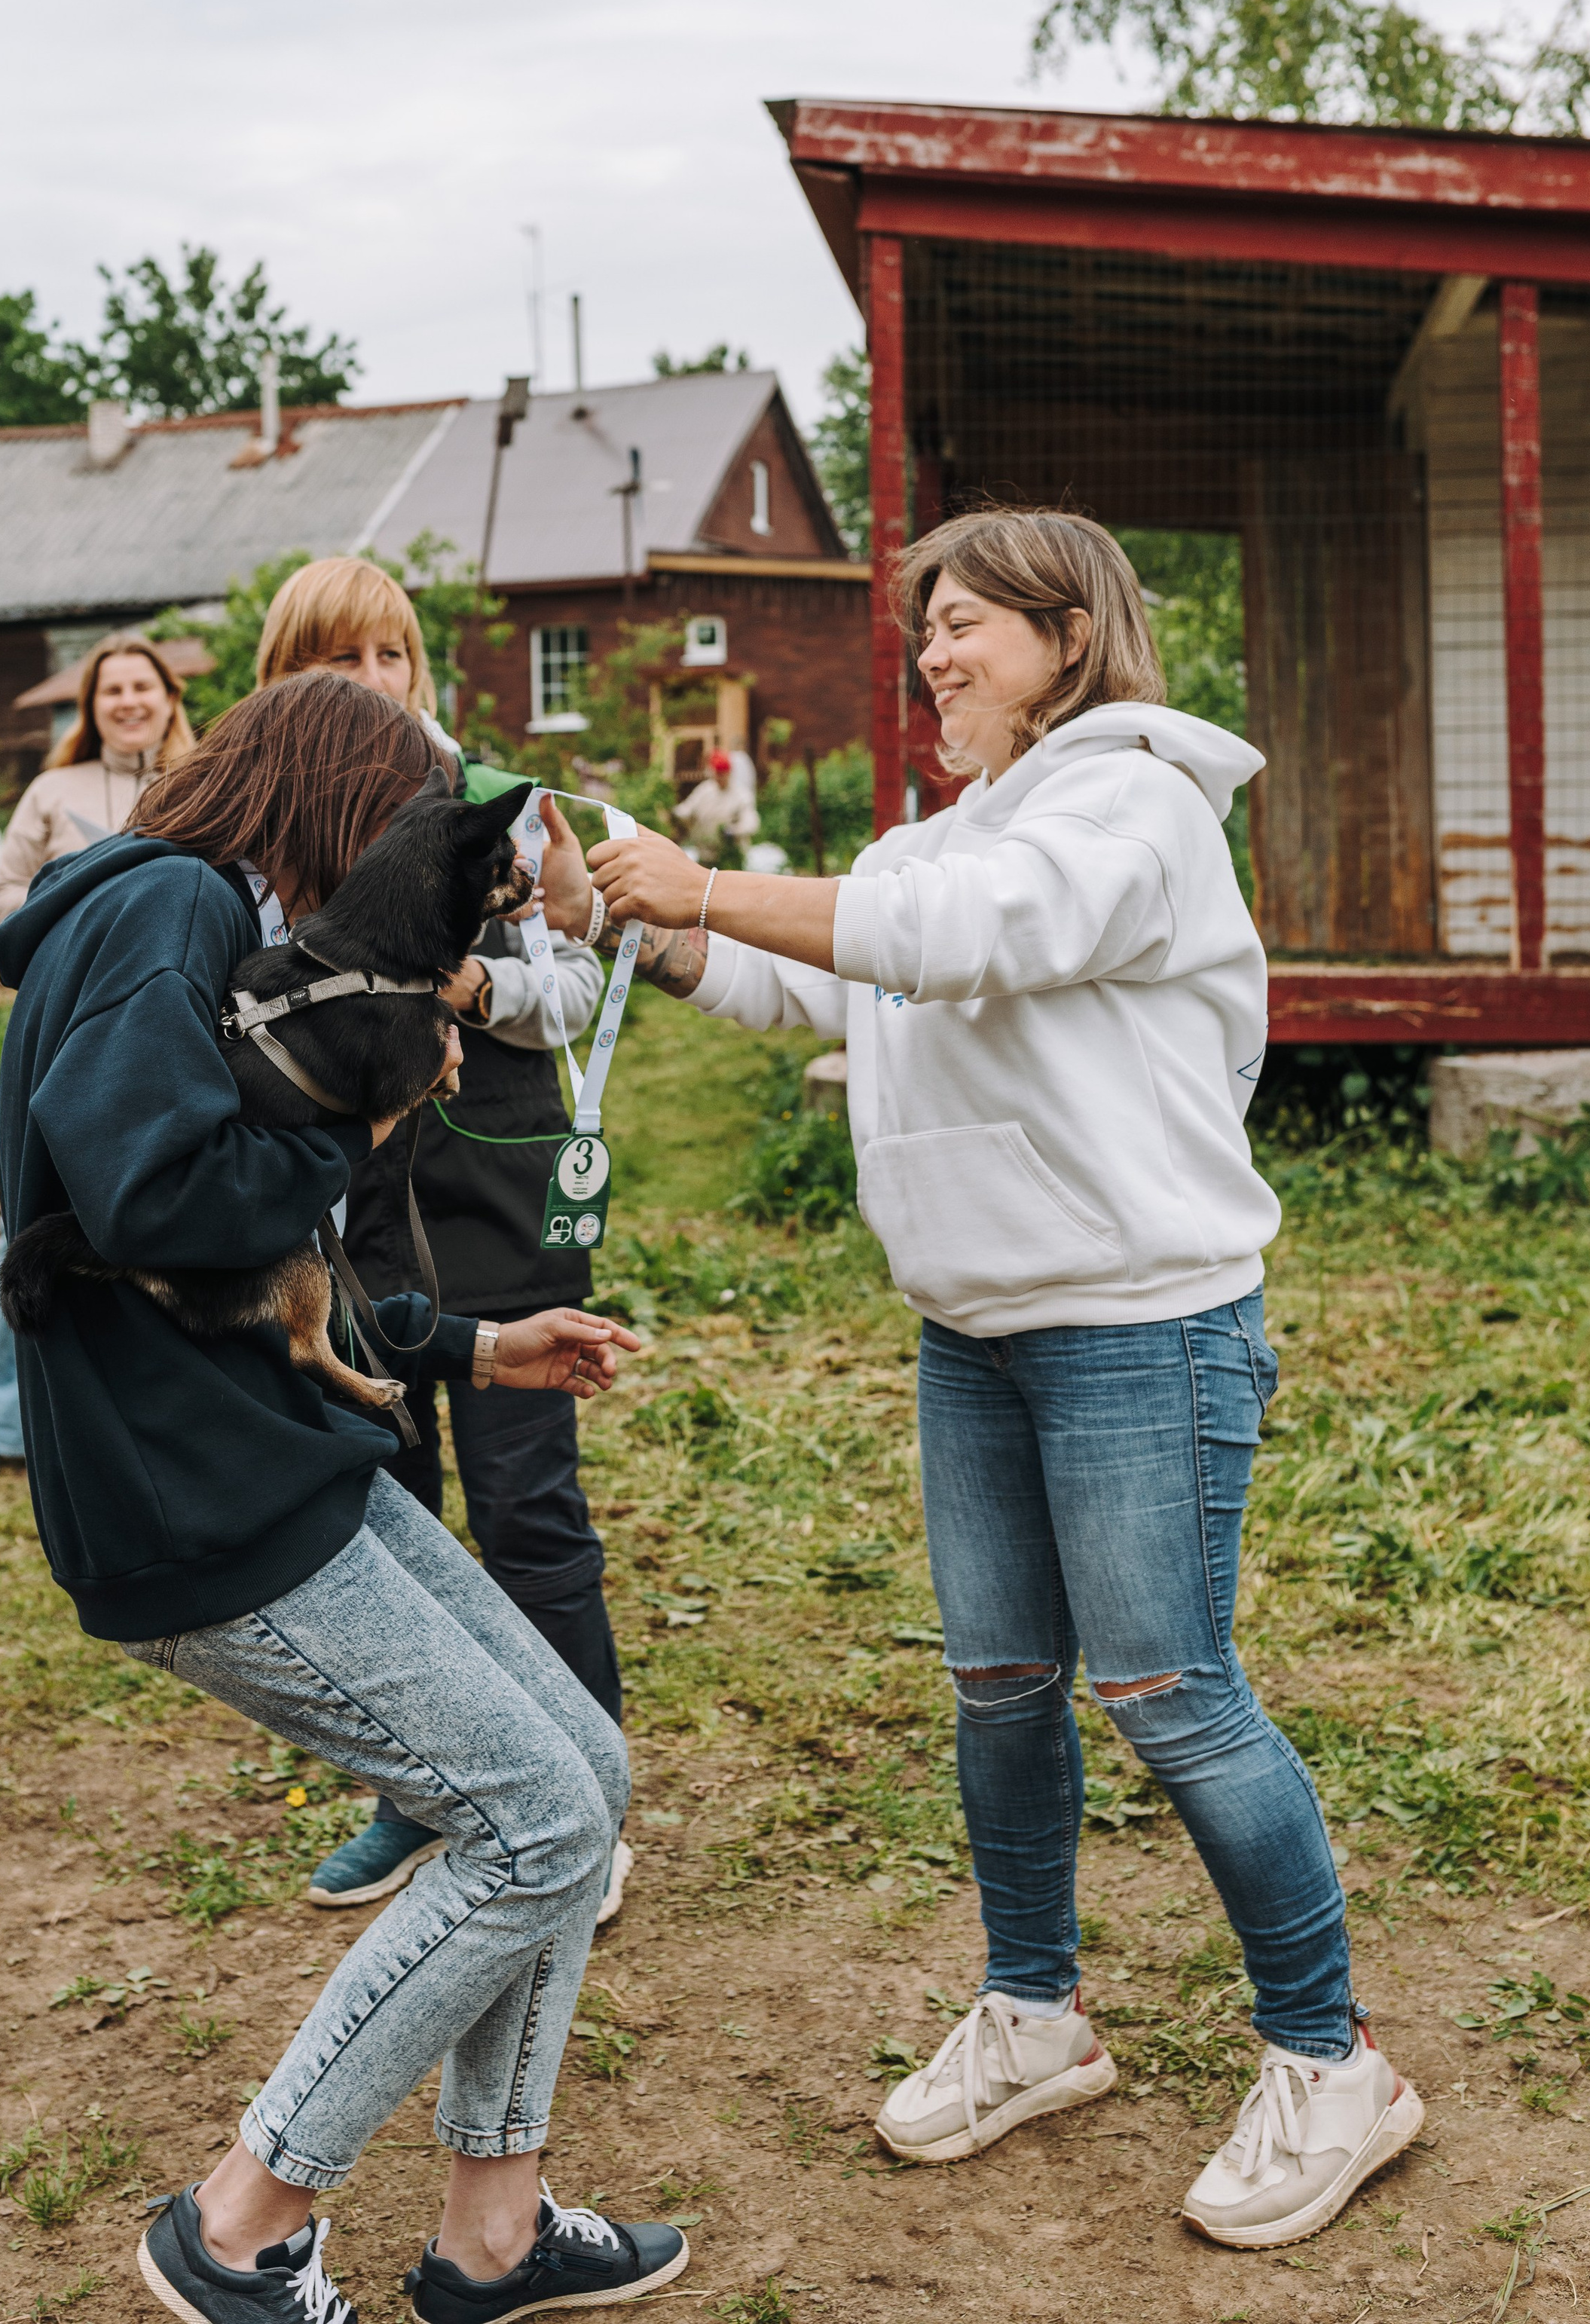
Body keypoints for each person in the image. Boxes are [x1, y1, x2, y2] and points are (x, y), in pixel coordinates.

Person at [540, 506, 1425, 2255]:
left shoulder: (1135, 805)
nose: (931, 652)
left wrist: (703, 876)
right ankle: (1033, 2013)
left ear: (1070, 638)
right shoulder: (942, 835)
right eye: (923, 627)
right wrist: (629, 918)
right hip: (977, 1330)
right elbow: (826, 982)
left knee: (1168, 1690)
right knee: (1000, 1680)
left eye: (968, 624)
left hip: (1138, 1325)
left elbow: (968, 931)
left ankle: (1332, 2063)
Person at [0, 672, 688, 2324]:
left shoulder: (201, 919)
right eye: (391, 828)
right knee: (528, 1822)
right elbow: (156, 1190)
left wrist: (468, 1338)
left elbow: (262, 1261)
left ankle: (491, 2233)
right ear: (326, 797)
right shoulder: (154, 909)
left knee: (579, 1770)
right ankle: (237, 2224)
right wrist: (364, 1119)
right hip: (196, 1488)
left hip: (274, 1440)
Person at [247, 556, 635, 1920]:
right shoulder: (257, 847)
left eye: (390, 660)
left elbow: (580, 984)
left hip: (496, 1199)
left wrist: (480, 984)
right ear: (282, 682)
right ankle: (426, 1795)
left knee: (530, 1510)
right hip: (352, 1226)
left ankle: (591, 1794)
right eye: (335, 664)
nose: (370, 689)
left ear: (422, 672)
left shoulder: (499, 814)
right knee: (393, 1511)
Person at [0, 634, 194, 1478]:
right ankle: (0, 1420)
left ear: (168, 696)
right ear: (90, 708)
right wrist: (76, 902)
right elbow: (3, 901)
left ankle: (146, 1411)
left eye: (142, 686)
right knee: (37, 1213)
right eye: (111, 689)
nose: (128, 701)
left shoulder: (201, 781)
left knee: (158, 1211)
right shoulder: (56, 790)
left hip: (173, 1029)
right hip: (69, 1033)